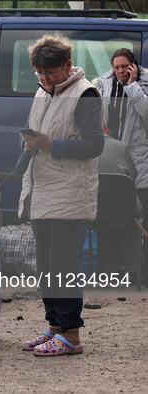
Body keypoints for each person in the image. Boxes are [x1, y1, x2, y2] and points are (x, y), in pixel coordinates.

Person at [18, 34, 104, 356]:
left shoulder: (85, 95)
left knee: (64, 267)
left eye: (50, 72)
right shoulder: (43, 92)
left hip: (70, 195)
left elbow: (96, 145)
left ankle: (71, 336)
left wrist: (51, 145)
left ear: (67, 66)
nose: (43, 78)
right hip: (42, 191)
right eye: (39, 73)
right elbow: (38, 131)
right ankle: (54, 327)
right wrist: (29, 143)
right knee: (46, 267)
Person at [96, 49, 148, 279]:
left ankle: (137, 269)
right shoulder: (104, 82)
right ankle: (110, 269)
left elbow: (145, 111)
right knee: (110, 212)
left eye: (125, 67)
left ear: (134, 66)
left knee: (137, 214)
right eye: (117, 67)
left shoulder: (143, 82)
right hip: (111, 154)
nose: (120, 72)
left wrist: (133, 85)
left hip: (138, 155)